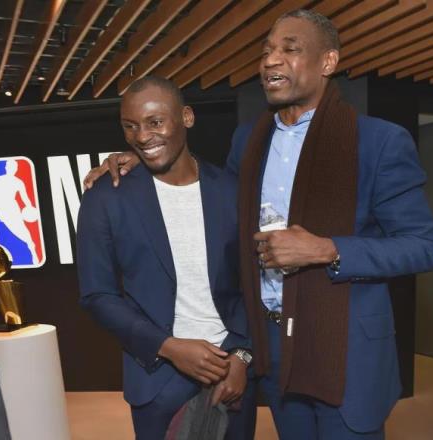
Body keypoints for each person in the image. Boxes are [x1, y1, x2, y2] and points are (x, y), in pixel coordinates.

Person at [84, 10, 433, 440]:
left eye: (290, 49)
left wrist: (328, 249)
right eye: (267, 51)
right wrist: (140, 158)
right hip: (274, 348)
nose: (271, 60)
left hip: (344, 350)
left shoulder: (380, 141)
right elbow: (220, 221)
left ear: (328, 62)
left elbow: (424, 246)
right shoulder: (249, 140)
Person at [76, 76, 255, 440]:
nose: (142, 136)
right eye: (130, 126)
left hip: (231, 372)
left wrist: (242, 355)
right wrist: (168, 347)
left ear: (186, 117)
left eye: (155, 122)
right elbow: (97, 295)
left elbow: (255, 283)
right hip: (158, 379)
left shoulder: (231, 190)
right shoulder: (105, 197)